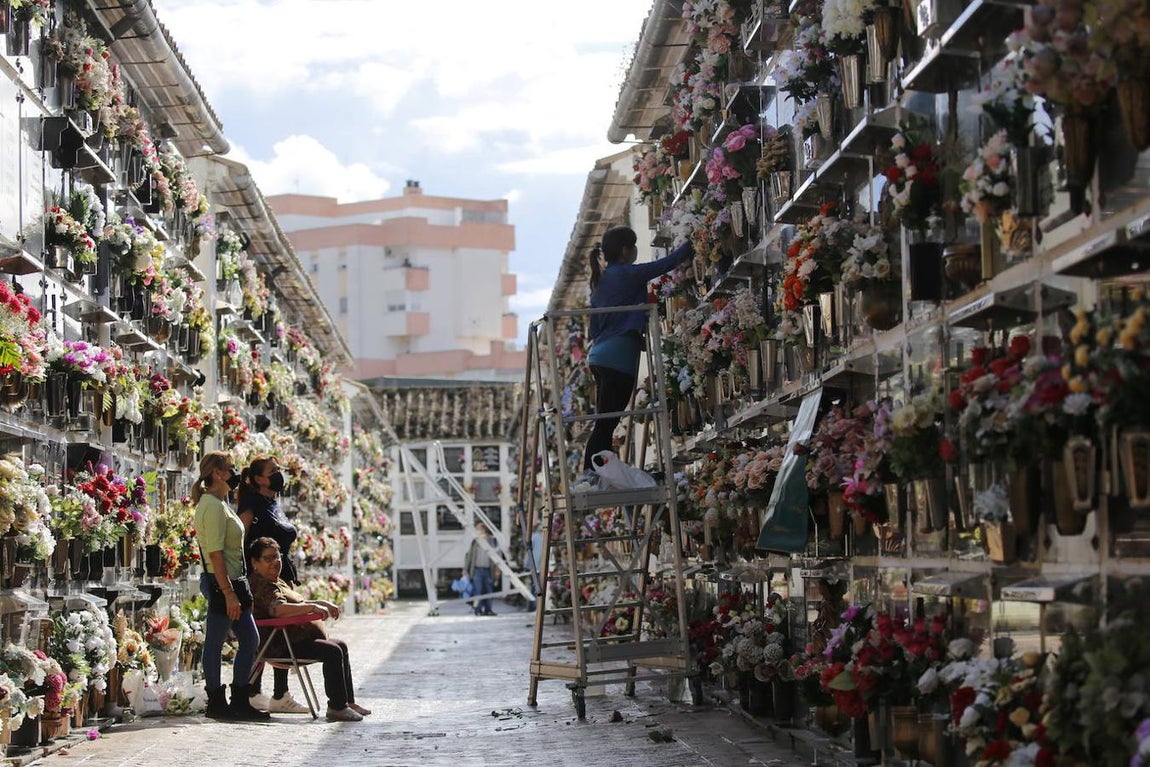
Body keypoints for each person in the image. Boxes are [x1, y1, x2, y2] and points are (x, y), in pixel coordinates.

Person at [576, 226, 694, 489]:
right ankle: (589, 473)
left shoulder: (600, 283)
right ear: (625, 250)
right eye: (633, 246)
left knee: (605, 420)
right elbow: (666, 263)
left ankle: (596, 473)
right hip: (619, 359)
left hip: (599, 356)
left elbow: (595, 328)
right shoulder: (627, 273)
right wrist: (692, 242)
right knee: (606, 423)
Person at [247, 537, 371, 722]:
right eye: (268, 558)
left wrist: (321, 603)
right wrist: (312, 609)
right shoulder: (262, 584)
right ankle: (337, 707)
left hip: (294, 639)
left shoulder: (277, 581)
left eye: (277, 557)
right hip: (280, 644)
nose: (275, 562)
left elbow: (299, 603)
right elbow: (279, 609)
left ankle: (346, 701)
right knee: (332, 651)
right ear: (255, 562)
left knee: (341, 646)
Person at [192, 451, 268, 721]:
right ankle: (217, 700)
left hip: (234, 580)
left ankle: (237, 699)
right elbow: (214, 553)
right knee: (217, 640)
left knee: (248, 638)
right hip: (222, 581)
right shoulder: (211, 506)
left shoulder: (219, 503)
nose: (235, 472)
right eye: (231, 468)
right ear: (217, 473)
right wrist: (227, 593)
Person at [236, 456, 308, 715]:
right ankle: (253, 690)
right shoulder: (251, 504)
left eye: (279, 470)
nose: (279, 474)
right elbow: (238, 539)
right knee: (263, 632)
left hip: (280, 575)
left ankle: (280, 693)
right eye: (273, 471)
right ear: (258, 479)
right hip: (260, 578)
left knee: (282, 632)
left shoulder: (273, 503)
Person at [464, 522, 500, 616]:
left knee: (489, 590)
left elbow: (498, 555)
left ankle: (488, 609)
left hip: (489, 570)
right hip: (477, 570)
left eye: (478, 528)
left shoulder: (492, 541)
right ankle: (477, 609)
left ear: (484, 529)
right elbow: (469, 555)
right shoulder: (475, 541)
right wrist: (465, 568)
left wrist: (497, 569)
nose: (477, 531)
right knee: (478, 591)